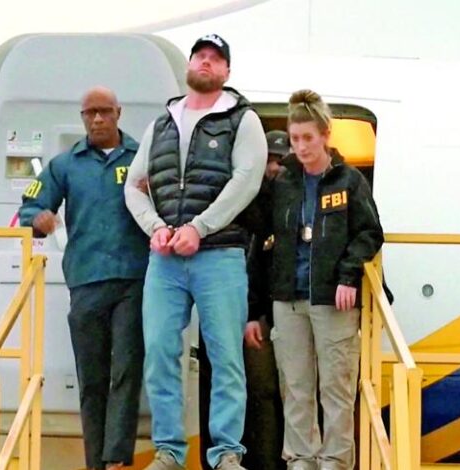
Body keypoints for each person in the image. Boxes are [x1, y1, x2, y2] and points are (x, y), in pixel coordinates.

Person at [125, 34, 267, 470]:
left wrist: (199, 227)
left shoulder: (243, 120)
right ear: (189, 64)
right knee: (159, 352)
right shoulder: (161, 124)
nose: (206, 62)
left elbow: (247, 180)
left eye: (215, 59)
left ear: (227, 71)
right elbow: (134, 185)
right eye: (200, 55)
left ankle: (226, 452)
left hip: (220, 255)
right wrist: (155, 228)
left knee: (225, 356)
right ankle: (169, 450)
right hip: (165, 259)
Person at [18, 86, 148, 470]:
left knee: (126, 370)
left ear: (119, 113)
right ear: (82, 117)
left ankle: (117, 458)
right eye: (90, 113)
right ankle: (96, 462)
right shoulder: (65, 165)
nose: (97, 119)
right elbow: (30, 208)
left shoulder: (142, 159)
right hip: (86, 281)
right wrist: (39, 219)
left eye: (104, 111)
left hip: (133, 279)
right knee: (91, 379)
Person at [269, 90, 385, 470]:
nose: (301, 146)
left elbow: (369, 232)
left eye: (308, 137)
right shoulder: (283, 182)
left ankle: (335, 460)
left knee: (336, 385)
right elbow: (263, 232)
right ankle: (301, 459)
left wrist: (348, 275)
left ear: (324, 135)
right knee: (295, 385)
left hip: (332, 298)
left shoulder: (348, 181)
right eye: (295, 138)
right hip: (288, 297)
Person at [199, 130, 290, 470]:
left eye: (281, 160)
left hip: (291, 312)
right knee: (260, 393)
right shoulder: (248, 206)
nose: (275, 167)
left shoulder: (298, 199)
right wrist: (253, 313)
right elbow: (253, 262)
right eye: (270, 160)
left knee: (294, 396)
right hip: (258, 315)